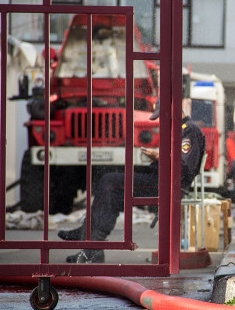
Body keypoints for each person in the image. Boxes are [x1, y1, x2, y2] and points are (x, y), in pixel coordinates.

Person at [58, 98, 205, 263]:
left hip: (169, 185)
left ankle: (88, 236)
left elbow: (184, 167)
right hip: (161, 179)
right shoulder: (179, 130)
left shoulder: (189, 131)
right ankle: (92, 245)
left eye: (163, 115)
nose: (161, 120)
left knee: (110, 182)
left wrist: (157, 156)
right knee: (111, 189)